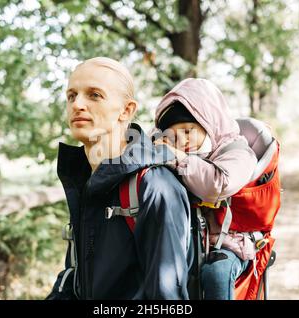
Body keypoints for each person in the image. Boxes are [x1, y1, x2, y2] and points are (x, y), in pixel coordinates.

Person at [46, 57, 192, 300]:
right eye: (71, 96)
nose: (77, 105)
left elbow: (167, 297)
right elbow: (77, 278)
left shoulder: (154, 187)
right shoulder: (85, 178)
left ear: (126, 110)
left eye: (94, 95)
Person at [153, 78, 258, 300]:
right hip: (186, 241)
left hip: (228, 243)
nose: (182, 141)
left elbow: (218, 185)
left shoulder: (237, 152)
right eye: (173, 136)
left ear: (208, 123)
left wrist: (178, 159)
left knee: (216, 274)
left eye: (188, 130)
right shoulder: (180, 154)